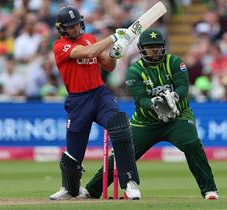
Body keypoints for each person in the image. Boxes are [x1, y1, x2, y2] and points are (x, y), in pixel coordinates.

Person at [79, 29, 219, 200]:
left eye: (157, 46)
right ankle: (92, 190)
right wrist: (154, 103)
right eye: (150, 47)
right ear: (141, 49)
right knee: (121, 154)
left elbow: (183, 86)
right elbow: (140, 99)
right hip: (146, 122)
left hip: (178, 117)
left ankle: (209, 190)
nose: (154, 50)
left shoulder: (174, 62)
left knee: (192, 145)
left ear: (163, 47)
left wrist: (174, 97)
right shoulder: (135, 71)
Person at [49, 6, 141, 200]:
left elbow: (107, 64)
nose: (75, 29)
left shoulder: (89, 38)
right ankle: (70, 189)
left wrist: (115, 54)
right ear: (62, 29)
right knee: (72, 156)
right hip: (78, 101)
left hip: (100, 95)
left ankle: (129, 182)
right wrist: (113, 38)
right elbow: (89, 52)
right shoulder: (60, 46)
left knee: (120, 126)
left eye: (77, 24)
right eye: (70, 26)